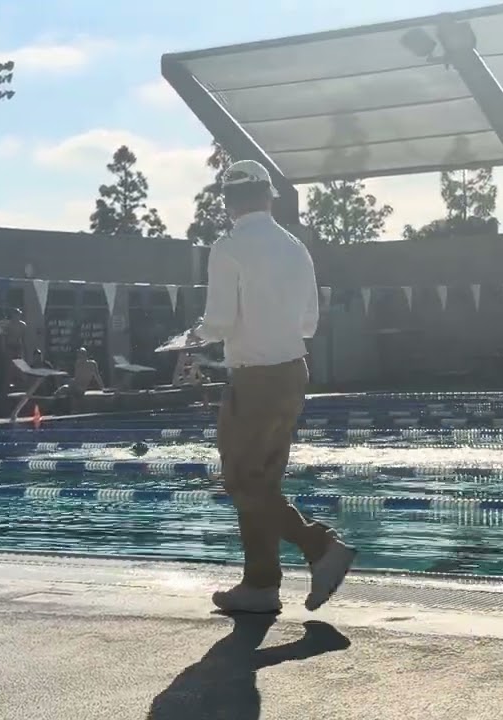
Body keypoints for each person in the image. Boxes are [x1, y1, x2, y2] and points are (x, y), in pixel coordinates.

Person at [185, 159, 356, 614]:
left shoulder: (229, 247)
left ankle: (320, 547)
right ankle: (260, 586)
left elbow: (219, 322)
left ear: (228, 203)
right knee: (263, 481)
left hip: (255, 376)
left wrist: (191, 338)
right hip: (292, 372)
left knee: (242, 481)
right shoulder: (295, 246)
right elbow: (308, 322)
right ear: (268, 196)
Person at [0, 309, 29, 389]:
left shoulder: (23, 325)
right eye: (15, 315)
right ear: (12, 315)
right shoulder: (8, 324)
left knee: (20, 366)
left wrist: (25, 350)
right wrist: (3, 348)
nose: (17, 317)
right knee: (9, 366)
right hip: (10, 346)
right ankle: (7, 384)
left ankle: (20, 384)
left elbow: (24, 338)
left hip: (18, 347)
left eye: (18, 315)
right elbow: (3, 338)